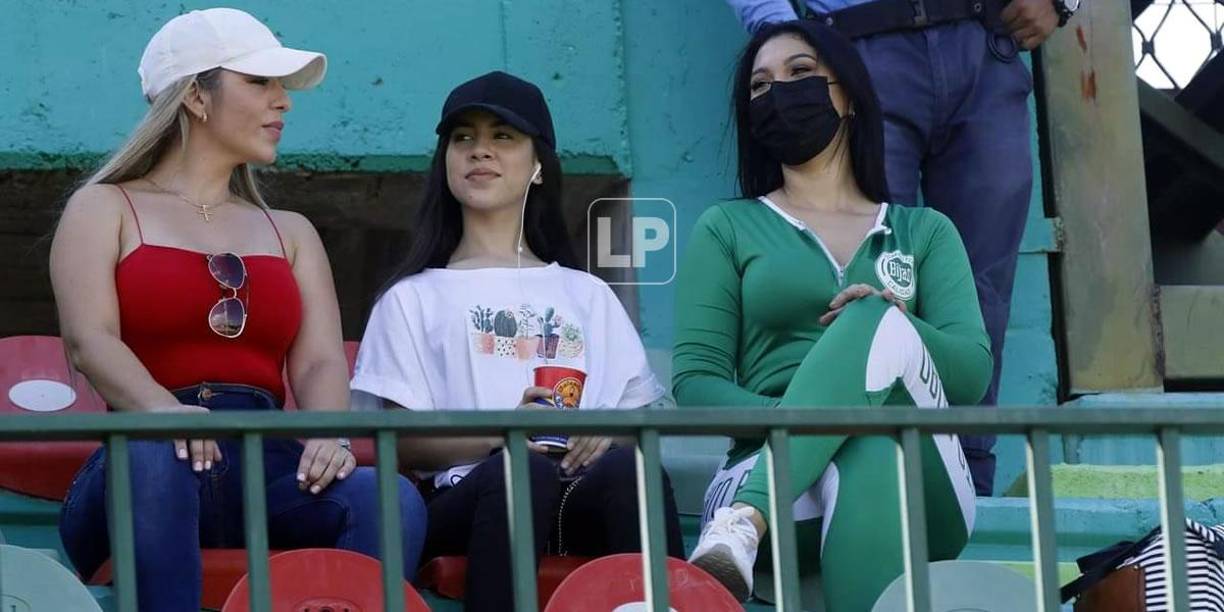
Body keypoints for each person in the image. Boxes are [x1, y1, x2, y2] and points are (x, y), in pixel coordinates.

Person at [50, 9, 427, 609]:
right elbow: (89, 341)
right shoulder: (103, 207)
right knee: (153, 451)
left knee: (387, 495)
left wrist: (327, 434)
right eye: (261, 83)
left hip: (268, 460)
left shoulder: (292, 230)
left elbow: (320, 360)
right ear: (197, 96)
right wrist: (164, 413)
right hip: (143, 457)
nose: (284, 103)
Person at [674, 20, 992, 610]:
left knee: (874, 319)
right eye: (760, 88)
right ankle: (751, 511)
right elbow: (695, 384)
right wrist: (823, 418)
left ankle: (746, 522)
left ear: (846, 94)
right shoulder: (727, 227)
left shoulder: (924, 231)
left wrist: (884, 328)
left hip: (925, 481)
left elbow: (971, 370)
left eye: (799, 74)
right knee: (868, 443)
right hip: (757, 465)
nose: (779, 94)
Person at [350, 71, 685, 611]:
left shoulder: (588, 294)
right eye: (463, 137)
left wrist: (605, 436)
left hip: (578, 491)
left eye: (502, 136)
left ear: (537, 167)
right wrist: (507, 435)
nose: (479, 150)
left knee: (631, 470)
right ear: (445, 163)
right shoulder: (411, 297)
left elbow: (637, 424)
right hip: (466, 497)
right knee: (521, 468)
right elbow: (402, 442)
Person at [726, 0, 1078, 495]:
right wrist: (787, 40)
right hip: (857, 46)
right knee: (862, 279)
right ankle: (863, 487)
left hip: (983, 42)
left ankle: (967, 491)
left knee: (982, 292)